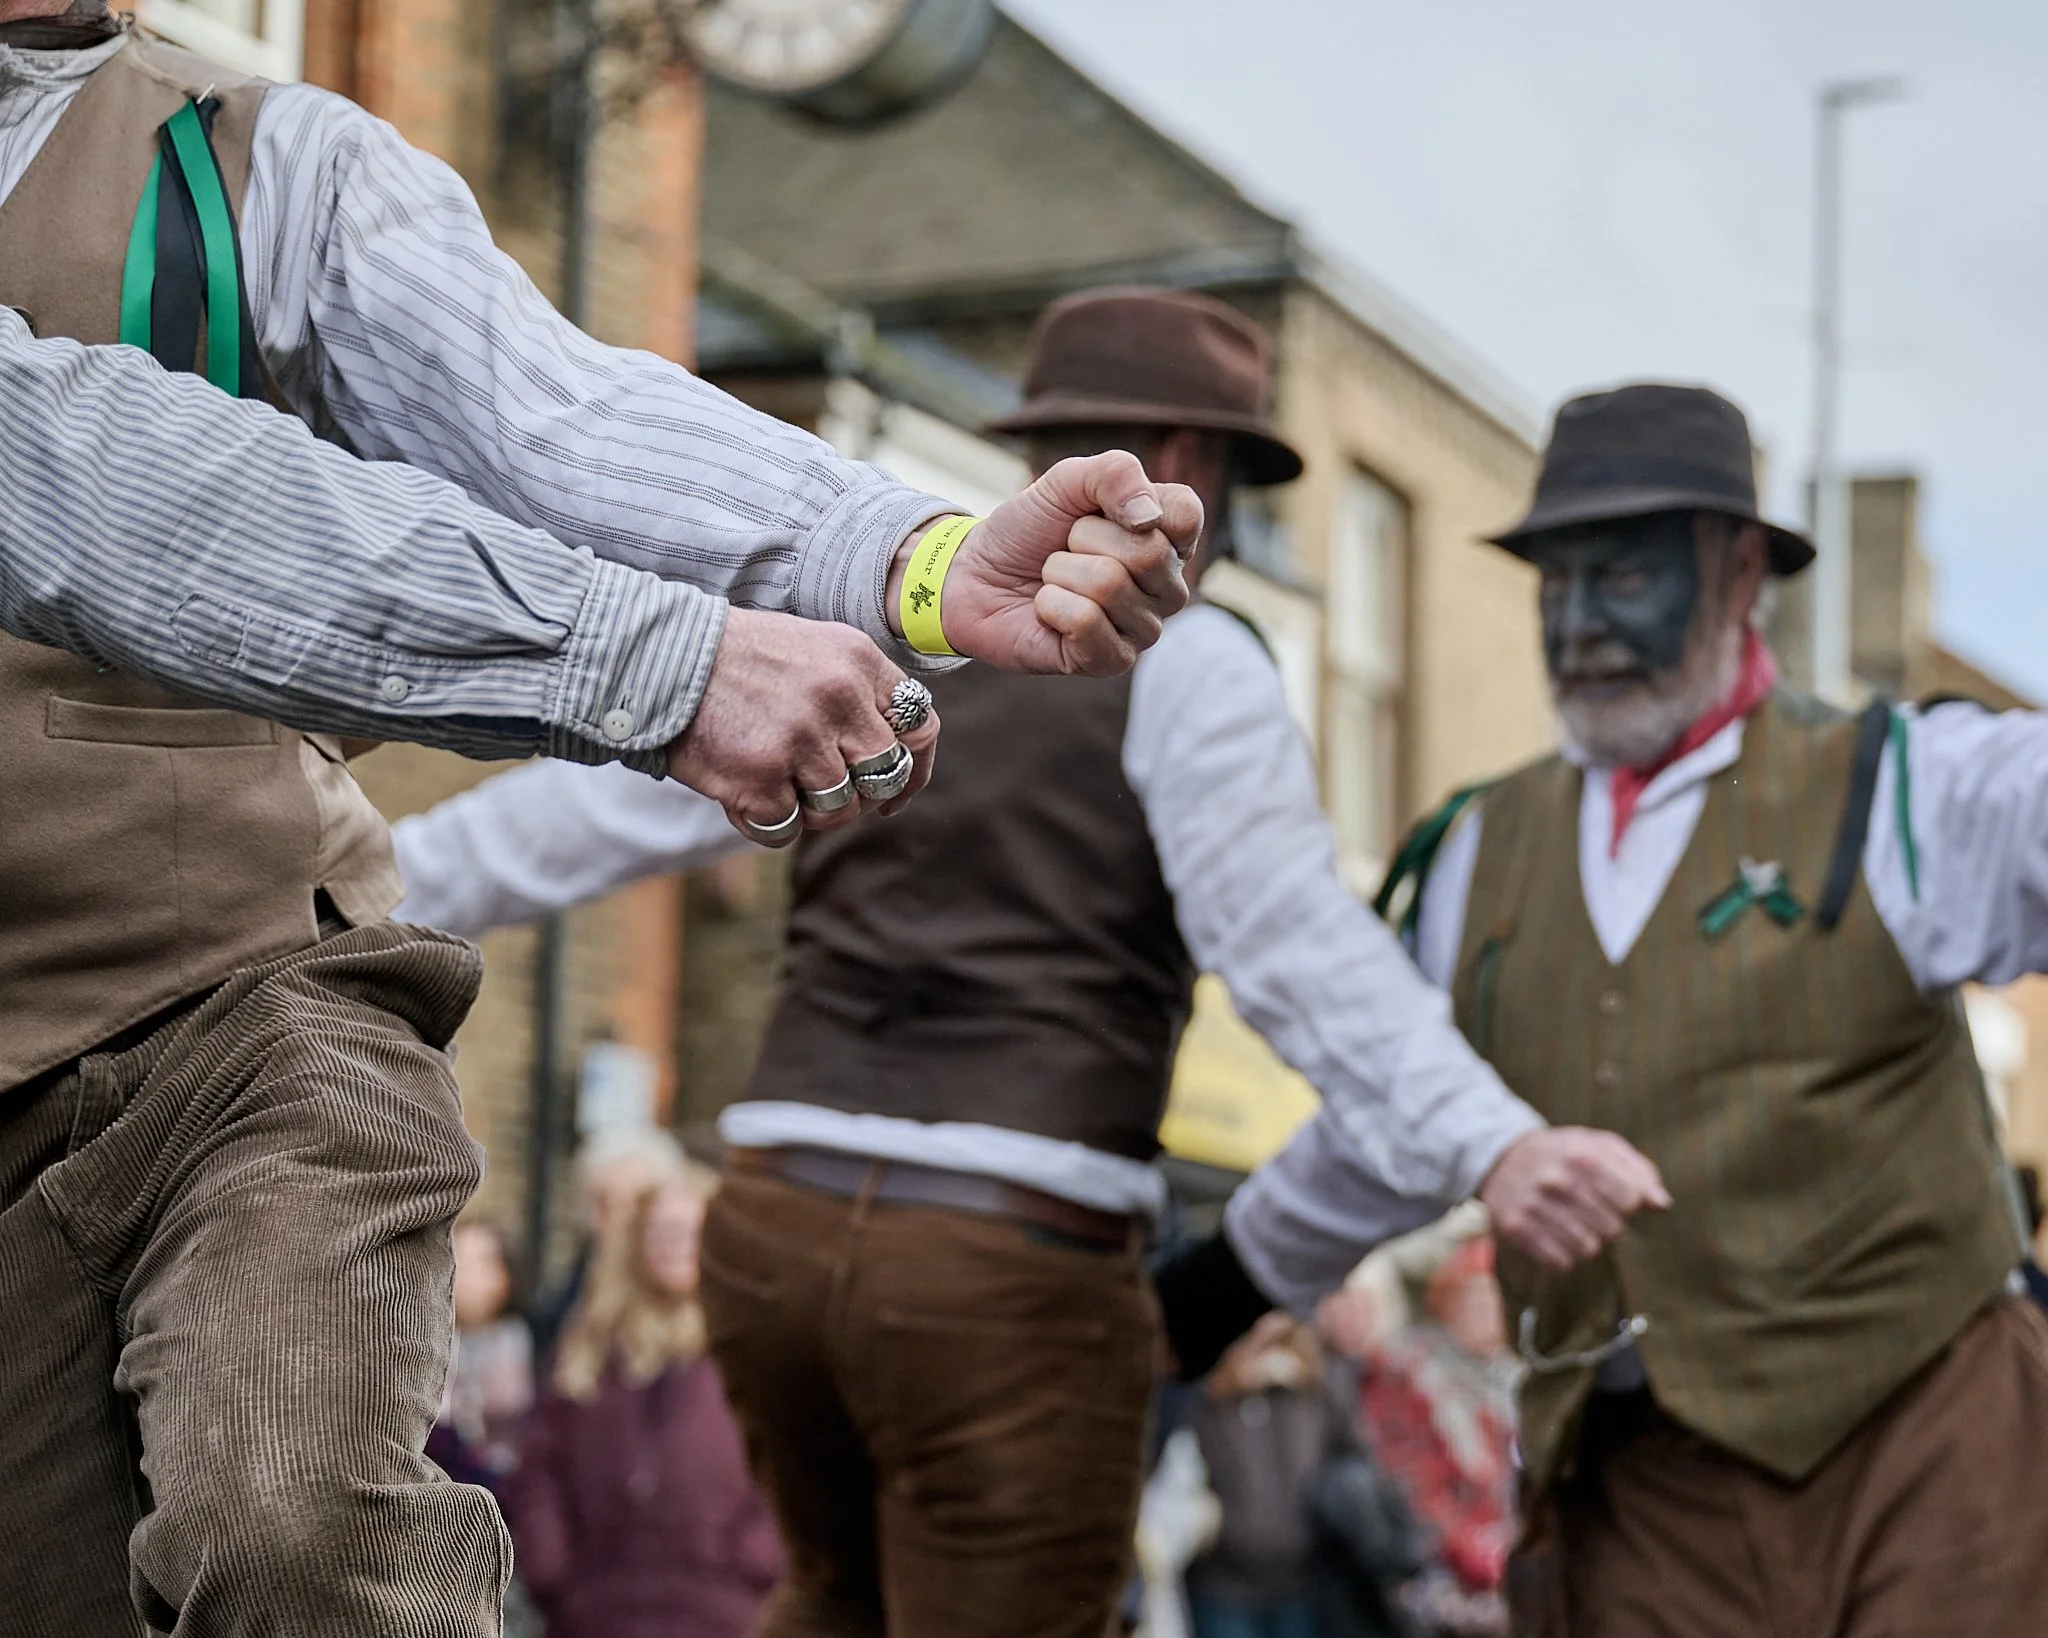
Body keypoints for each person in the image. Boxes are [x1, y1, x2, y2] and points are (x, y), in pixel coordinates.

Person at [0, 10, 1200, 1632]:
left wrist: (908, 556)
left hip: (236, 1000)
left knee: (303, 1544)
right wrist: (657, 666)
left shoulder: (255, 161)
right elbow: (80, 475)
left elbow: (544, 415)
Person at [389, 287, 1663, 1638]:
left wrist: (347, 880)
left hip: (773, 1235)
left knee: (831, 1598)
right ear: (1184, 461)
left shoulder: (870, 623)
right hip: (1005, 1255)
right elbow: (1291, 947)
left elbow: (578, 810)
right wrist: (1495, 1145)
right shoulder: (1197, 658)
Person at [1178, 383, 2048, 1636]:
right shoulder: (1478, 849)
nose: (1578, 623)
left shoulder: (1904, 786)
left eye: (1623, 577)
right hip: (1637, 1480)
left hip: (1922, 1448)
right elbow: (1403, 1116)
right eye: (1554, 584)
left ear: (1739, 570)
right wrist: (1206, 1291)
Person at [508, 1167, 783, 1638]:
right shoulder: (589, 1347)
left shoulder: (755, 1351)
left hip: (721, 1615)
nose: (675, 1243)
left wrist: (755, 1564)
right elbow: (540, 1466)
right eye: (662, 1230)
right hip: (594, 1613)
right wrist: (551, 1568)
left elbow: (797, 1467)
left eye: (691, 1231)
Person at [1187, 1314, 1419, 1638]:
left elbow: (1355, 1456)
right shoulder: (1204, 1387)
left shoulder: (1319, 1381)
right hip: (1223, 1580)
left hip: (1302, 1579)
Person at [1355, 1238, 1513, 1638]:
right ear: (1448, 1306)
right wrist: (1469, 1546)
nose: (1483, 1312)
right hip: (1443, 1574)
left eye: (1492, 1299)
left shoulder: (1518, 1380)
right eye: (1472, 1299)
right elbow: (1410, 1478)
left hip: (1513, 1570)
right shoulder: (1416, 1374)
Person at [431, 1222, 537, 1497]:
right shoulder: (429, 1339)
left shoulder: (514, 1340)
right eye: (458, 1260)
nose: (465, 1274)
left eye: (481, 1263)